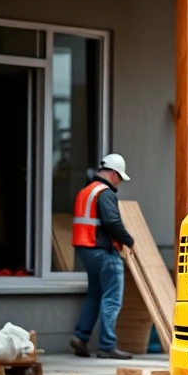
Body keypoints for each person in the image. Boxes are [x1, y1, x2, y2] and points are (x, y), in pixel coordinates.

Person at [69, 153, 136, 360]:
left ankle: (81, 337)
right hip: (103, 251)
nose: (119, 183)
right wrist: (129, 240)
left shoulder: (85, 191)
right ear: (114, 173)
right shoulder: (105, 193)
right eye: (120, 178)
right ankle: (107, 346)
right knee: (112, 298)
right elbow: (112, 222)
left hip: (85, 250)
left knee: (95, 294)